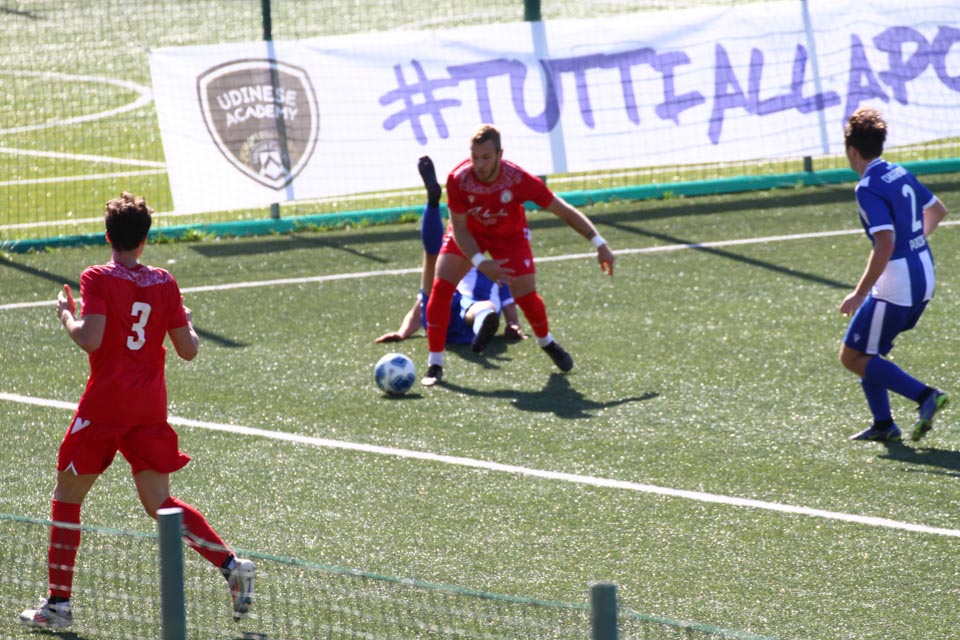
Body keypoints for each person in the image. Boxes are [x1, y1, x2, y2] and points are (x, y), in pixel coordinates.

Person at [19, 193, 254, 629]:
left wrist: (66, 315)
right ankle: (231, 566)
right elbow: (188, 350)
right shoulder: (164, 282)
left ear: (108, 236)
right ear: (145, 240)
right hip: (148, 406)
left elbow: (90, 338)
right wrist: (185, 318)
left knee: (67, 498)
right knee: (160, 503)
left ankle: (58, 606)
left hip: (107, 404)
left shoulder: (97, 277)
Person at [421, 124, 615, 386]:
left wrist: (599, 243)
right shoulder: (458, 179)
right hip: (470, 235)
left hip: (509, 237)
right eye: (475, 157)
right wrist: (480, 262)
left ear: (500, 154)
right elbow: (460, 229)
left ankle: (546, 341)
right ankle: (435, 364)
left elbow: (562, 210)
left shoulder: (518, 179)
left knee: (526, 296)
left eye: (486, 157)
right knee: (441, 287)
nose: (479, 164)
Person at [839, 108, 949, 442]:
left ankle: (926, 396)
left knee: (852, 356)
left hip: (896, 285)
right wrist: (912, 242)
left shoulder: (867, 187)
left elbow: (885, 243)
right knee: (868, 350)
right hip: (923, 274)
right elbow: (938, 210)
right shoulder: (898, 172)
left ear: (852, 150)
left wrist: (859, 293)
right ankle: (884, 424)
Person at [375, 156, 527, 352]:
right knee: (464, 300)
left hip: (455, 320)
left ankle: (432, 203)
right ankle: (482, 327)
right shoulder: (461, 266)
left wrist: (513, 326)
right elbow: (421, 305)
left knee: (433, 260)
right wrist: (401, 332)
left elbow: (421, 305)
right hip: (448, 314)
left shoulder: (492, 271)